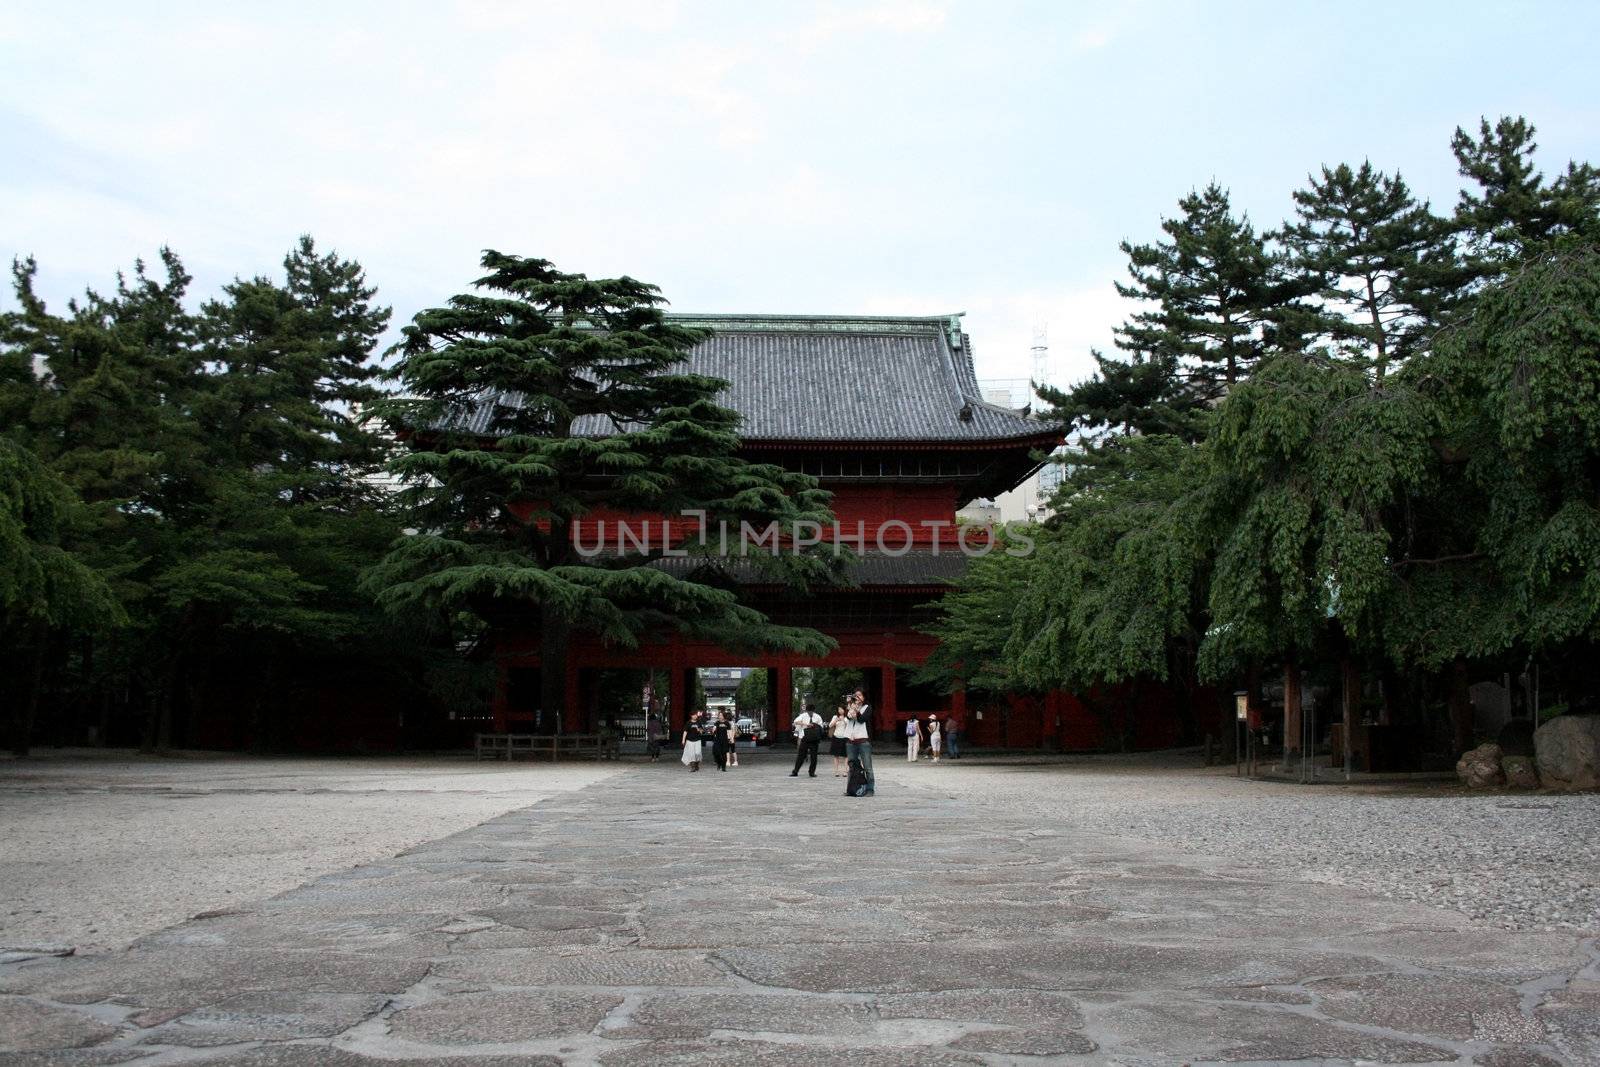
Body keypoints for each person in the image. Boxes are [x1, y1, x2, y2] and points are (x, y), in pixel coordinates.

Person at [844, 697, 874, 795]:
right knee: (851, 766)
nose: (857, 698)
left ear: (864, 697)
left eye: (859, 695)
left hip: (863, 740)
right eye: (855, 696)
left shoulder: (867, 708)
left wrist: (856, 711)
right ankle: (851, 789)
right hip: (851, 740)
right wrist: (850, 707)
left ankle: (870, 789)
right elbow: (848, 717)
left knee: (867, 766)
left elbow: (861, 720)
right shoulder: (851, 707)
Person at [790, 703, 823, 777]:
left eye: (811, 711)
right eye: (809, 711)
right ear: (807, 711)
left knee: (814, 757)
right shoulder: (803, 715)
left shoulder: (817, 717)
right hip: (804, 738)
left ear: (813, 711)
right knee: (801, 756)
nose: (810, 713)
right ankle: (795, 771)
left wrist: (814, 725)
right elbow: (796, 722)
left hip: (814, 739)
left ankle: (812, 772)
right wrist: (806, 724)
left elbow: (821, 727)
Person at [827, 703, 850, 777]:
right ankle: (836, 771)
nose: (840, 710)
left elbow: (850, 726)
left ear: (844, 710)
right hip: (836, 737)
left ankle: (845, 771)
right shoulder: (835, 717)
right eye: (839, 709)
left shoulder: (847, 717)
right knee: (836, 755)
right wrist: (836, 720)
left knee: (846, 755)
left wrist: (844, 720)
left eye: (841, 709)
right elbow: (830, 725)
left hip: (845, 738)